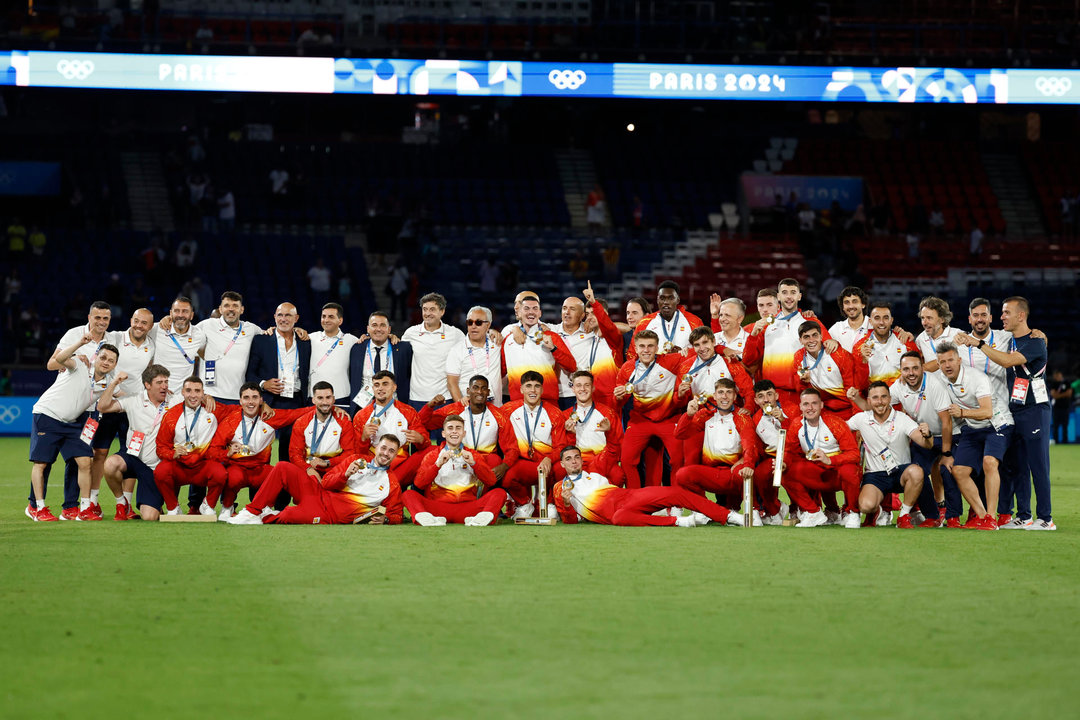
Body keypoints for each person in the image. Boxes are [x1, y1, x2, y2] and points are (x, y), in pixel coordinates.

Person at [966, 297, 1055, 530]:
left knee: (1038, 466)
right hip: (1015, 409)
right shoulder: (1010, 340)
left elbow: (1007, 362)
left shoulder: (1035, 342)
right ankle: (1024, 515)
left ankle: (1046, 519)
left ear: (1021, 316)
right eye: (1002, 313)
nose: (1002, 316)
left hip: (1035, 410)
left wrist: (978, 344)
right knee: (1019, 467)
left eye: (1006, 313)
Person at [27, 339, 119, 521]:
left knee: (85, 462)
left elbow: (114, 401)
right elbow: (60, 358)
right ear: (96, 357)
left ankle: (84, 509)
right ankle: (38, 508)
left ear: (115, 364)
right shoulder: (80, 364)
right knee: (42, 463)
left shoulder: (108, 382)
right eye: (103, 357)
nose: (106, 362)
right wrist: (78, 345)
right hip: (47, 415)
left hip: (72, 422)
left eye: (111, 360)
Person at [229, 435, 403, 525]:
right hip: (317, 492)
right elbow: (326, 482)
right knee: (282, 466)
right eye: (384, 448)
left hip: (327, 515)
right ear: (377, 447)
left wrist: (386, 519)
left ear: (395, 455)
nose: (386, 453)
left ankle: (265, 516)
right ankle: (252, 512)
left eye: (391, 451)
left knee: (288, 513)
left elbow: (397, 515)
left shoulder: (392, 483)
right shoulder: (356, 459)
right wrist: (345, 475)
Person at [553, 446, 743, 527]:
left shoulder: (594, 476)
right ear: (562, 464)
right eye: (568, 459)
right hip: (616, 514)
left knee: (676, 492)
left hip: (629, 497)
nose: (574, 461)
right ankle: (676, 522)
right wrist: (567, 503)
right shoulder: (560, 487)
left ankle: (728, 516)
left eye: (576, 457)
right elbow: (570, 522)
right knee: (619, 518)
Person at [207, 382, 310, 521]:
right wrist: (228, 453)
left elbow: (296, 413)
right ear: (240, 401)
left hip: (260, 468)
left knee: (280, 475)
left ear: (261, 400)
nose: (250, 402)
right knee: (232, 477)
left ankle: (266, 507)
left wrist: (328, 408)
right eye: (246, 398)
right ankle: (228, 506)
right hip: (238, 467)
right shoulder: (231, 421)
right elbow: (213, 450)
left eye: (255, 397)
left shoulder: (270, 416)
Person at [875, 352, 955, 525]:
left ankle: (953, 515)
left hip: (948, 435)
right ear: (901, 371)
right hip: (923, 437)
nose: (911, 373)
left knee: (948, 470)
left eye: (915, 368)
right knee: (917, 471)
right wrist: (857, 399)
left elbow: (947, 421)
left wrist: (947, 453)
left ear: (922, 368)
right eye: (906, 369)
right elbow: (880, 403)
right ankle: (933, 517)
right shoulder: (899, 386)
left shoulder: (934, 385)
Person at [88, 308, 156, 508]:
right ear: (130, 320)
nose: (138, 325)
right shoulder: (115, 338)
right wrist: (116, 392)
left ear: (150, 327)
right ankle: (92, 500)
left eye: (144, 323)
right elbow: (102, 363)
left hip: (134, 411)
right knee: (99, 452)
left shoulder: (151, 346)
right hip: (109, 405)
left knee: (132, 454)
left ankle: (125, 503)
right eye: (136, 320)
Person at [847, 382, 938, 530]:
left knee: (916, 471)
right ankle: (878, 510)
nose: (880, 401)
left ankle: (904, 515)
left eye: (884, 397)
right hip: (875, 475)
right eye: (875, 398)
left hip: (900, 473)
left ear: (890, 399)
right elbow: (838, 430)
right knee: (865, 506)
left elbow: (926, 444)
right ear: (869, 401)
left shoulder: (902, 418)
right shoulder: (861, 418)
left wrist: (927, 435)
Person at [936, 343, 1007, 530]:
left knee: (989, 462)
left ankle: (992, 517)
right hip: (973, 429)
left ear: (959, 360)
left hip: (997, 424)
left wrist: (962, 412)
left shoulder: (976, 378)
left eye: (950, 360)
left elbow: (987, 411)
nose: (947, 365)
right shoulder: (941, 381)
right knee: (958, 471)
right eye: (942, 362)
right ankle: (982, 516)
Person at [673, 379, 760, 520]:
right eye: (720, 392)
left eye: (728, 393)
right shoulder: (705, 415)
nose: (724, 397)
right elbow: (680, 434)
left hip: (732, 473)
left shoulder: (742, 417)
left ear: (735, 396)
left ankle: (754, 511)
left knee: (744, 472)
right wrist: (688, 415)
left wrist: (747, 464)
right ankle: (703, 510)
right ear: (714, 395)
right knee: (682, 475)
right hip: (712, 473)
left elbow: (749, 445)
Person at [403, 415, 508, 526]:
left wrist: (474, 464)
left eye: (458, 428)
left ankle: (480, 519)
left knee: (499, 493)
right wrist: (437, 465)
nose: (454, 431)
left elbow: (491, 481)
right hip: (438, 508)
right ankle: (426, 518)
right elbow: (419, 484)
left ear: (464, 433)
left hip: (468, 508)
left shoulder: (473, 455)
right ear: (443, 433)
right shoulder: (433, 456)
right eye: (450, 428)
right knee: (408, 494)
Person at [742, 280, 833, 406]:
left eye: (793, 292)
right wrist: (753, 336)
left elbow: (829, 346)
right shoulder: (765, 325)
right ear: (778, 296)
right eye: (785, 292)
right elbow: (748, 360)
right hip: (774, 395)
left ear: (799, 296)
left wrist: (831, 342)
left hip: (803, 391)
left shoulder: (810, 321)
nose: (789, 296)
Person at [97, 364, 171, 521]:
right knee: (110, 464)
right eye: (159, 382)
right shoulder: (133, 400)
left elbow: (195, 399)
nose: (164, 386)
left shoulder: (175, 401)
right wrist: (114, 383)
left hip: (155, 467)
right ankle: (121, 502)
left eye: (166, 382)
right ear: (147, 385)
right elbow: (102, 407)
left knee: (149, 517)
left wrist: (207, 397)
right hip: (133, 458)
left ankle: (156, 506)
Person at [781, 388, 862, 528]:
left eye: (814, 403)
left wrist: (831, 460)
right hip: (816, 471)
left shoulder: (835, 423)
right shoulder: (796, 424)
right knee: (783, 472)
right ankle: (813, 512)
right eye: (806, 404)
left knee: (850, 471)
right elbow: (789, 451)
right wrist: (783, 463)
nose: (810, 408)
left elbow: (855, 454)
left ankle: (852, 512)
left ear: (821, 405)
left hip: (837, 472)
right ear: (800, 406)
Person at [614, 330, 685, 488]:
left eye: (650, 346)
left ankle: (676, 503)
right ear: (636, 349)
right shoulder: (627, 368)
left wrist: (723, 350)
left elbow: (702, 350)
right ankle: (635, 499)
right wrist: (619, 397)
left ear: (657, 347)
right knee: (626, 460)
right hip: (640, 421)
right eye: (642, 346)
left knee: (678, 459)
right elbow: (619, 402)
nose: (646, 350)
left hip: (669, 419)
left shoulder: (671, 361)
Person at [153, 377, 231, 516]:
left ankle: (208, 505)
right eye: (189, 390)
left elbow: (242, 410)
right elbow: (160, 447)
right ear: (182, 392)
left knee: (221, 473)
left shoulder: (213, 409)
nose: (193, 395)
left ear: (203, 394)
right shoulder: (171, 415)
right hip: (179, 466)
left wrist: (263, 405)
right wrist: (173, 454)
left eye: (197, 391)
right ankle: (173, 507)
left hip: (203, 465)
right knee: (160, 471)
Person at [246, 302, 311, 463]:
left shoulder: (306, 342)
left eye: (288, 315)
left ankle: (286, 487)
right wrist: (263, 384)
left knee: (290, 452)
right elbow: (249, 374)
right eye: (280, 315)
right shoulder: (261, 340)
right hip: (269, 402)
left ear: (296, 318)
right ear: (274, 317)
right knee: (260, 452)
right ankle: (259, 488)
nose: (283, 319)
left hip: (296, 402)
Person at [419, 375, 517, 482]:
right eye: (475, 387)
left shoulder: (498, 415)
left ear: (488, 392)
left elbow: (512, 447)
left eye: (484, 388)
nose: (479, 391)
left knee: (496, 461)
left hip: (486, 461)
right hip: (459, 457)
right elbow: (423, 423)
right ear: (468, 391)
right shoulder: (455, 410)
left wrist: (505, 465)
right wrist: (430, 406)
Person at [501, 371, 567, 518]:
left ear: (542, 390)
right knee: (507, 475)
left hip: (547, 465)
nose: (533, 390)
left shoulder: (554, 413)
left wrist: (549, 458)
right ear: (521, 389)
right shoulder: (508, 410)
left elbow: (561, 446)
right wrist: (465, 402)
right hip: (524, 464)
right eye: (528, 386)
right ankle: (524, 503)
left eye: (537, 386)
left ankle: (549, 502)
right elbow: (488, 413)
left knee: (562, 469)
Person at [352, 371, 432, 486]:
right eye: (376, 385)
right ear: (373, 389)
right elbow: (357, 454)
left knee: (432, 450)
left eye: (385, 384)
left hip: (401, 465)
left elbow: (425, 444)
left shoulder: (408, 411)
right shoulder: (361, 416)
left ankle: (392, 485)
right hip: (374, 466)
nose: (380, 388)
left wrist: (421, 439)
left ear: (394, 387)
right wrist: (364, 438)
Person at [501, 295, 576, 404]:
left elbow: (571, 366)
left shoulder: (551, 336)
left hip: (547, 402)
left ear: (540, 313)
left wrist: (553, 348)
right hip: (518, 403)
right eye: (526, 308)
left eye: (535, 308)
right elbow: (500, 371)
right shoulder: (508, 339)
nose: (531, 312)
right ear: (519, 313)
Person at [552, 292, 618, 409]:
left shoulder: (591, 331)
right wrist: (516, 328)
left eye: (572, 309)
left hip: (585, 393)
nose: (567, 312)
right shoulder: (552, 330)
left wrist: (604, 326)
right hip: (558, 393)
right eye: (564, 308)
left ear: (581, 315)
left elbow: (626, 328)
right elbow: (530, 325)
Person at [195, 291, 263, 404]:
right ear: (220, 309)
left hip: (238, 397)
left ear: (242, 309)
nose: (231, 309)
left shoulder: (252, 329)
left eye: (235, 306)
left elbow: (273, 337)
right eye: (227, 305)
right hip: (209, 396)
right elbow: (184, 334)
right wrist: (167, 320)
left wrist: (295, 331)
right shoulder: (206, 325)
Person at [557, 370, 624, 486]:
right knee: (557, 470)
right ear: (573, 388)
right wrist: (571, 433)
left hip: (603, 460)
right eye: (578, 385)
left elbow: (619, 444)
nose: (582, 389)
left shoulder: (608, 413)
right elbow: (562, 448)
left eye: (586, 385)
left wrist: (610, 431)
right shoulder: (565, 416)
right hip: (578, 462)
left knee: (618, 475)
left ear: (593, 388)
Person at [401, 292, 465, 412]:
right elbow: (399, 354)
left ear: (442, 311)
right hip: (417, 398)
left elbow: (471, 349)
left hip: (445, 398)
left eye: (432, 309)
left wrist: (492, 333)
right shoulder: (410, 333)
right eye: (424, 309)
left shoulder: (455, 334)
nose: (427, 313)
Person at [287, 381, 360, 481]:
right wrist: (307, 469)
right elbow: (295, 454)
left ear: (333, 399)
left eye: (328, 397)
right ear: (313, 400)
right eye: (320, 398)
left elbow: (350, 453)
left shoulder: (344, 422)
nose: (325, 402)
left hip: (334, 468)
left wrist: (328, 463)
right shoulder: (302, 422)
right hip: (309, 467)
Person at [748, 380, 798, 524]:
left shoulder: (792, 409)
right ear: (756, 400)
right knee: (759, 474)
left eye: (769, 394)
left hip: (794, 455)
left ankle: (803, 509)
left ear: (776, 395)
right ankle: (775, 510)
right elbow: (759, 448)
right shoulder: (755, 419)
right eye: (761, 396)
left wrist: (783, 420)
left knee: (794, 473)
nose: (766, 399)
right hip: (773, 457)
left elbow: (801, 435)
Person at [347, 311, 413, 413]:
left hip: (395, 409)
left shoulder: (403, 349)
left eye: (383, 325)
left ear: (389, 329)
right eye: (374, 325)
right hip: (363, 409)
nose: (378, 329)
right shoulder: (357, 348)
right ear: (368, 329)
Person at [149, 296, 207, 407]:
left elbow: (204, 359)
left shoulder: (199, 335)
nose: (180, 315)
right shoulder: (156, 329)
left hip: (182, 398)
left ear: (192, 315)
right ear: (170, 313)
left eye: (185, 311)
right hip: (156, 396)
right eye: (177, 311)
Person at [793, 321, 857, 418]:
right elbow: (802, 392)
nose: (811, 340)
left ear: (821, 336)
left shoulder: (838, 354)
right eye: (806, 337)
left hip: (846, 409)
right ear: (800, 340)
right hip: (822, 411)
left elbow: (853, 387)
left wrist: (857, 417)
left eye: (815, 335)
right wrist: (804, 382)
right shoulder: (798, 357)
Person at [626, 281, 703, 361]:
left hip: (685, 371)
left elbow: (704, 350)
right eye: (662, 298)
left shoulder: (694, 321)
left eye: (671, 298)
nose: (666, 302)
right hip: (654, 371)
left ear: (678, 300)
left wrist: (685, 353)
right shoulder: (645, 323)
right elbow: (632, 356)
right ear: (657, 300)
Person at [851, 302, 918, 390]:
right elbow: (860, 386)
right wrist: (863, 362)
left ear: (891, 320)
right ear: (870, 321)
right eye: (877, 318)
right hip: (877, 399)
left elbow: (919, 371)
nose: (881, 322)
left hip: (904, 399)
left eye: (886, 318)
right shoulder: (859, 347)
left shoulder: (905, 341)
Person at [445, 306, 503, 406]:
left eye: (478, 322)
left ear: (488, 325)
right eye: (470, 322)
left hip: (495, 408)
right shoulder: (457, 350)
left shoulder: (497, 343)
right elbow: (451, 383)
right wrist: (460, 405)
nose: (473, 326)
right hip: (469, 409)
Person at [308, 302, 359, 408]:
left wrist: (390, 336)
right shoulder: (311, 338)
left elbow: (374, 341)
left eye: (331, 317)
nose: (326, 320)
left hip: (341, 398)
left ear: (340, 321)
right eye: (323, 316)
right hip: (314, 398)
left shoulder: (351, 340)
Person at [914, 296, 960, 374]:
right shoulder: (920, 339)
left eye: (929, 318)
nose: (924, 323)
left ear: (942, 319)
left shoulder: (957, 335)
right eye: (922, 318)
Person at [827, 286, 871, 353]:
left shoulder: (874, 326)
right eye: (847, 302)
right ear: (843, 307)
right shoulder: (836, 329)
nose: (851, 306)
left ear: (863, 304)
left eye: (855, 301)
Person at [708, 295, 749, 360]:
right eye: (721, 315)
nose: (722, 319)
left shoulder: (749, 341)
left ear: (740, 319)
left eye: (727, 315)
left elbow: (752, 368)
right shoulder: (712, 339)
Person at [1050, 370, 1073, 444]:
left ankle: (1065, 441)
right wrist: (1064, 394)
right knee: (1055, 426)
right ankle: (1056, 441)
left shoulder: (1067, 382)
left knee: (1065, 426)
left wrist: (1058, 395)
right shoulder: (1054, 384)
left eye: (1058, 375)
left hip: (1065, 408)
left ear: (1060, 374)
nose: (1057, 377)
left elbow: (1069, 394)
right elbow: (1053, 395)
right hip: (1056, 408)